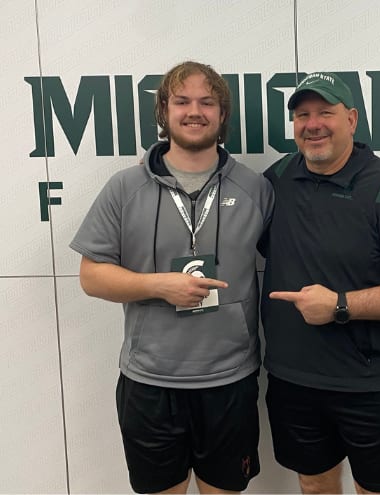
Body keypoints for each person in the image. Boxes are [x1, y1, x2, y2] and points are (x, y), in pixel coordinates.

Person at [70, 61, 273, 494]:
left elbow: (293, 260)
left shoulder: (255, 189)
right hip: (149, 383)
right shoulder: (124, 189)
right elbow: (91, 276)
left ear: (222, 114)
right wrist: (159, 285)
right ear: (164, 111)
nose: (194, 111)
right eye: (181, 101)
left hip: (229, 381)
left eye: (207, 102)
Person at [260, 72, 380, 494]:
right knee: (314, 485)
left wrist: (340, 305)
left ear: (351, 119)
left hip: (371, 383)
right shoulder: (277, 179)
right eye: (302, 115)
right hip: (294, 378)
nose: (313, 124)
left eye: (325, 112)